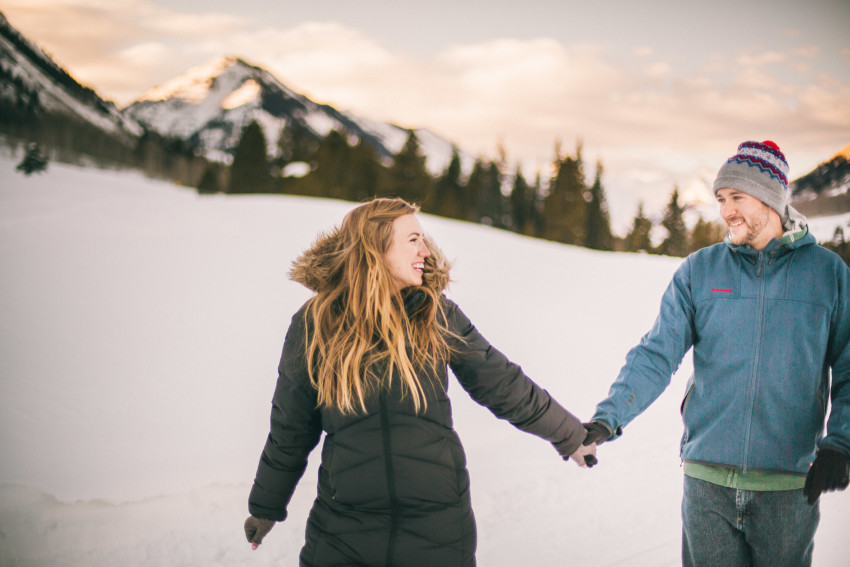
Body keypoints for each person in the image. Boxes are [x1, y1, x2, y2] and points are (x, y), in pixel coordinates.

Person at [243, 197, 596, 566]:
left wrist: (570, 434)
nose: (426, 251)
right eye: (413, 239)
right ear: (375, 246)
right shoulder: (315, 324)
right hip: (344, 530)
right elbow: (291, 429)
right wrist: (266, 506)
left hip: (438, 529)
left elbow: (503, 384)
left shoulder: (437, 315)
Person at [584, 140, 850, 566]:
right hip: (707, 483)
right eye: (721, 199)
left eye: (737, 198)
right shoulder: (700, 271)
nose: (726, 211)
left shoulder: (827, 275)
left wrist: (842, 443)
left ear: (770, 199)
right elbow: (656, 353)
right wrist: (607, 417)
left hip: (788, 487)